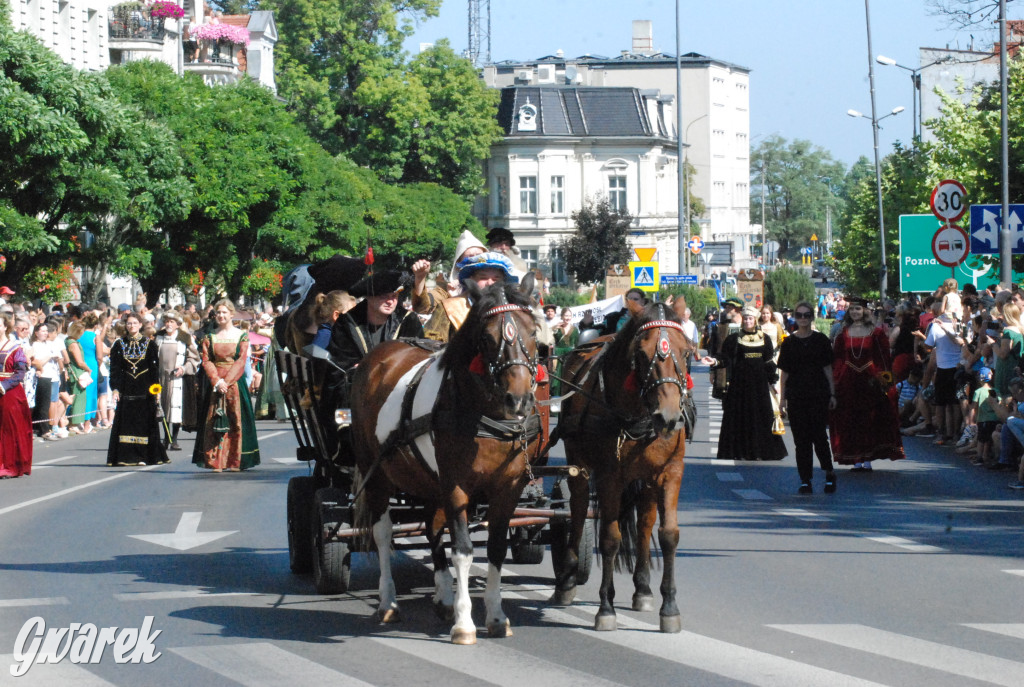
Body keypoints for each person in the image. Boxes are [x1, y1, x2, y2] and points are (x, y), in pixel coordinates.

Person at [830, 296, 905, 470]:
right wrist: (835, 382)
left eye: (858, 309)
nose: (855, 312)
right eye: (852, 309)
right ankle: (856, 458)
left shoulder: (876, 333)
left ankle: (868, 458)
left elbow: (884, 358)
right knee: (851, 419)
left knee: (870, 418)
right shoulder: (843, 333)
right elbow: (838, 359)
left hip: (870, 380)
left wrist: (886, 382)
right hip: (849, 380)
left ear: (865, 311)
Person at [703, 306, 787, 461]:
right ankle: (739, 451)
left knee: (760, 418)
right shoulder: (734, 339)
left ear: (755, 320)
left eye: (751, 318)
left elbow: (768, 362)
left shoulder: (764, 338)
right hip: (739, 385)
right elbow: (725, 358)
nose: (748, 321)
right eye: (746, 318)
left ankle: (760, 452)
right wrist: (714, 361)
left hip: (760, 386)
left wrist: (773, 382)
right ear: (743, 320)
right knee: (739, 418)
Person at [192, 299, 261, 472]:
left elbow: (241, 361)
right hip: (217, 384)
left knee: (235, 422)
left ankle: (235, 461)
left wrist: (227, 381)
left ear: (231, 314)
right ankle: (217, 461)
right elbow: (206, 361)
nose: (221, 316)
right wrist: (217, 381)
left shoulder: (241, 336)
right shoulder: (210, 336)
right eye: (218, 313)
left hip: (235, 383)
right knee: (214, 421)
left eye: (224, 312)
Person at [778, 301, 836, 493]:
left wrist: (832, 393)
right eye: (799, 315)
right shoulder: (788, 342)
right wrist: (782, 400)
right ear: (795, 317)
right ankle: (805, 479)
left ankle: (828, 473)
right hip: (796, 395)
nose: (803, 318)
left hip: (818, 393)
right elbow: (784, 374)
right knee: (801, 440)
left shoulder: (821, 340)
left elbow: (828, 368)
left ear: (812, 317)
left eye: (806, 315)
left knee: (819, 437)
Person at [107, 312, 168, 467]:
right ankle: (125, 456)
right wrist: (115, 388)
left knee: (143, 422)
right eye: (129, 323)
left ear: (140, 325)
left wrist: (156, 388)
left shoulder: (149, 344)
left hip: (145, 387)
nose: (131, 326)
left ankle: (143, 455)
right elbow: (115, 369)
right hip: (127, 387)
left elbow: (154, 368)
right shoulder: (119, 344)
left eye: (134, 323)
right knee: (127, 422)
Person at [422, 255, 516, 343]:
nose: (489, 283)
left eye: (496, 279)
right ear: (472, 279)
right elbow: (432, 346)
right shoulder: (449, 307)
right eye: (483, 278)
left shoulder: (513, 311)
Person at [411, 230, 486, 316]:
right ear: (458, 264)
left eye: (479, 256)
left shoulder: (496, 285)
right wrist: (420, 278)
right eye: (470, 257)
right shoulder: (446, 290)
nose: (475, 260)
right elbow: (422, 308)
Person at [155, 313, 200, 451]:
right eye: (167, 321)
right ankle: (165, 437)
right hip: (161, 377)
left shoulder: (185, 338)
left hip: (177, 378)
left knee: (175, 408)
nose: (169, 324)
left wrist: (184, 368)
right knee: (162, 408)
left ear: (178, 324)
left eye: (172, 321)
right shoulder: (158, 337)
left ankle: (173, 439)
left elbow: (194, 359)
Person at [0, 312, 33, 478]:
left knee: (9, 429)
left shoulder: (15, 348)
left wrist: (4, 385)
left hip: (10, 392)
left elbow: (20, 372)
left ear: (5, 327)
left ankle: (11, 465)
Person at [63, 322, 92, 434]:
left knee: (74, 395)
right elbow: (79, 362)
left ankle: (74, 421)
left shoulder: (66, 341)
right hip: (77, 372)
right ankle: (74, 423)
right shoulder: (73, 344)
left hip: (71, 371)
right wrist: (88, 369)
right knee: (78, 396)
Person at [969, 366, 999, 467]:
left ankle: (979, 457)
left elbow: (974, 406)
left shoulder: (978, 392)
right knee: (989, 439)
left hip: (983, 419)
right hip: (995, 418)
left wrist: (971, 420)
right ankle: (986, 456)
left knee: (981, 439)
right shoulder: (996, 390)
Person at [551, 307, 579, 397]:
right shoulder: (557, 328)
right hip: (559, 355)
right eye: (566, 315)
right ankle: (556, 401)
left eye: (569, 315)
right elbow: (549, 338)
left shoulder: (575, 329)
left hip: (570, 355)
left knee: (570, 376)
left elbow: (577, 344)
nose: (568, 317)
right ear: (562, 317)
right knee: (558, 379)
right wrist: (554, 329)